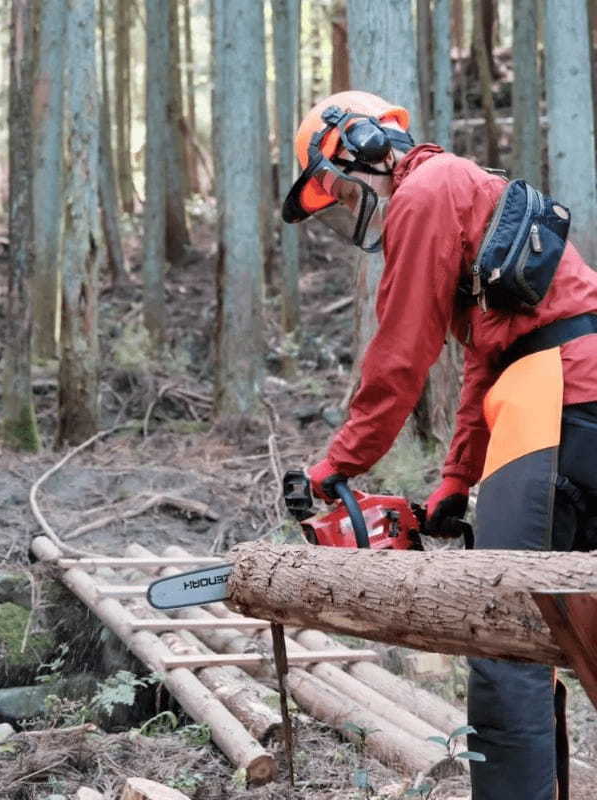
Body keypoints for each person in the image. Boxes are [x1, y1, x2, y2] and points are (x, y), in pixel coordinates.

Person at [282, 89, 597, 800]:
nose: (339, 199)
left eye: (335, 181)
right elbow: (486, 362)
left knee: (506, 629)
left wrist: (338, 464)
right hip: (569, 395)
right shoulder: (467, 189)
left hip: (552, 400)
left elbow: (400, 355)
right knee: (578, 621)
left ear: (362, 141)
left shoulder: (424, 193)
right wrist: (456, 481)